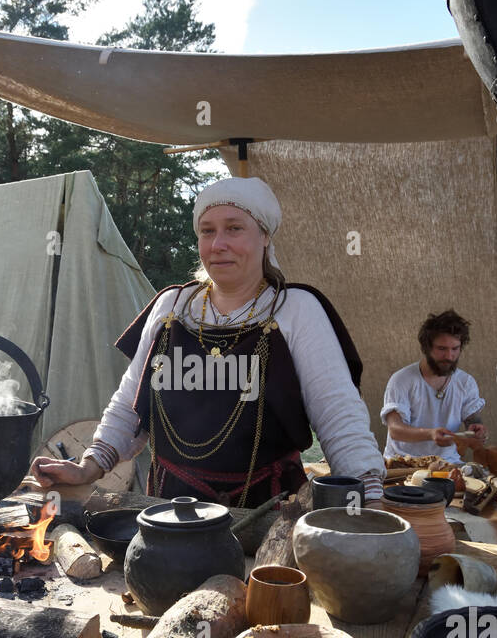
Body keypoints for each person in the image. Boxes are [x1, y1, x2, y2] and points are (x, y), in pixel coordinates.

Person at [30, 176, 385, 507]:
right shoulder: (171, 308)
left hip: (266, 512)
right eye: (207, 231)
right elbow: (130, 405)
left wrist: (368, 495)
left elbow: (339, 415)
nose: (218, 244)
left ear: (264, 236)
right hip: (172, 511)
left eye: (234, 228)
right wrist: (88, 467)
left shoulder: (296, 310)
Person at [380, 309, 488, 464]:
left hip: (447, 463)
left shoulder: (466, 382)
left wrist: (477, 427)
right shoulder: (401, 380)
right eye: (442, 349)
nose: (449, 356)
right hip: (402, 464)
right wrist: (430, 434)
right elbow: (395, 430)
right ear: (427, 348)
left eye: (455, 349)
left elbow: (472, 417)